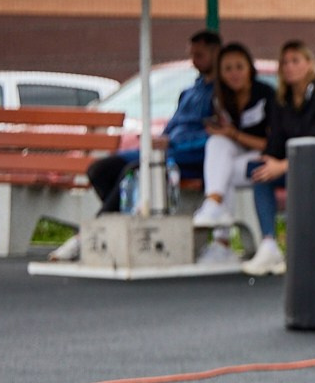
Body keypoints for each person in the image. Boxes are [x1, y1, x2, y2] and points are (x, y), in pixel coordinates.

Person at [55, 28, 220, 261]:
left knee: (135, 170)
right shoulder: (189, 92)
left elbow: (214, 137)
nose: (194, 61)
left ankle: (91, 234)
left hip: (191, 158)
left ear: (216, 53)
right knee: (100, 169)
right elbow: (172, 127)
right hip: (168, 152)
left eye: (200, 55)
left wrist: (171, 143)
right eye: (192, 55)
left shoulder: (221, 94)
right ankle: (122, 226)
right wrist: (160, 140)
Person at [241, 40, 315, 277]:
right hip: (298, 166)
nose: (289, 67)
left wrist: (283, 165)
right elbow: (277, 143)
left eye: (295, 61)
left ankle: (298, 249)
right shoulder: (283, 101)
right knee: (260, 170)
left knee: (296, 175)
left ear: (309, 64)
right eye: (284, 62)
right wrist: (271, 161)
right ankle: (269, 243)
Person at [194, 42, 275, 264]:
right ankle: (214, 205)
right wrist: (223, 131)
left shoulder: (266, 94)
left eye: (239, 67)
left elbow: (271, 143)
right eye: (227, 68)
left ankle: (221, 240)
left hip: (265, 158)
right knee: (216, 144)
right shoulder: (220, 98)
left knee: (223, 168)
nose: (234, 73)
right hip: (236, 156)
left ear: (250, 68)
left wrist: (235, 134)